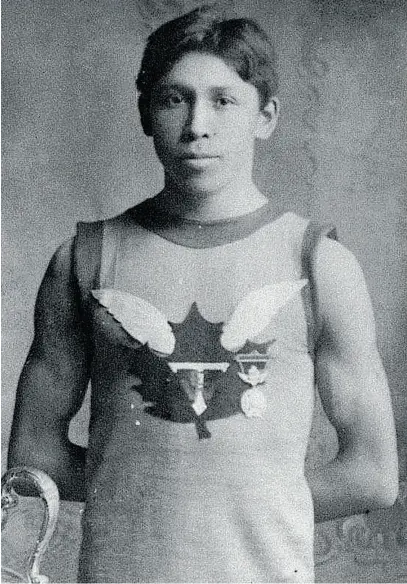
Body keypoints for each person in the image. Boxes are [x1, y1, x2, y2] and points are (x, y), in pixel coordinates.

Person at [8, 5, 399, 583]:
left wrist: (237, 501)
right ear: (145, 113)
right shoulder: (84, 259)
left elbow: (372, 472)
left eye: (224, 100)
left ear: (265, 117)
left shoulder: (319, 264)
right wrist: (143, 493)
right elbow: (34, 456)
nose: (197, 125)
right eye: (173, 98)